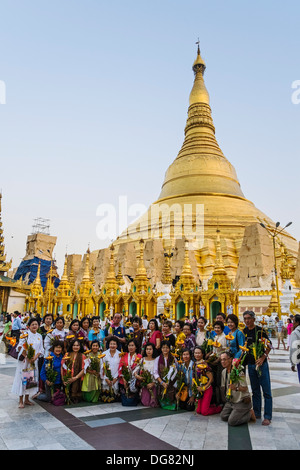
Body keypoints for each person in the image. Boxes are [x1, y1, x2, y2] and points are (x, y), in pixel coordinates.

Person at [243, 310, 272, 426]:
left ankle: (268, 416)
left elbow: (269, 345)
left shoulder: (260, 331)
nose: (247, 321)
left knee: (266, 391)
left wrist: (263, 357)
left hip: (261, 364)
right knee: (255, 390)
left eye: (249, 318)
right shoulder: (244, 332)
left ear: (254, 319)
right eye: (245, 318)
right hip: (250, 364)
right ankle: (257, 412)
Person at [11, 317, 44, 408]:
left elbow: (41, 349)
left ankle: (27, 399)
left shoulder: (39, 336)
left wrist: (35, 357)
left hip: (34, 361)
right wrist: (27, 356)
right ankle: (21, 400)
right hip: (25, 362)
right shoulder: (25, 334)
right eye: (32, 324)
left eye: (36, 324)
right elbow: (20, 347)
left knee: (30, 380)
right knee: (23, 379)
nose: (34, 326)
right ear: (29, 326)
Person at [220, 351, 255, 426]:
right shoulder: (223, 372)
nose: (223, 362)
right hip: (231, 401)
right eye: (221, 360)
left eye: (225, 359)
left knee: (232, 422)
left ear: (230, 360)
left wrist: (235, 388)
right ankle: (237, 412)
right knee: (223, 416)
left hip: (241, 400)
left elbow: (245, 388)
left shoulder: (238, 371)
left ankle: (249, 414)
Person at [193, 346, 222, 416]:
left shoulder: (204, 365)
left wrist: (204, 387)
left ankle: (219, 408)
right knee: (198, 411)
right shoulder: (195, 364)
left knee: (204, 412)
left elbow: (211, 379)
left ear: (203, 354)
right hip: (199, 390)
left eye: (199, 353)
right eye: (195, 353)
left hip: (207, 389)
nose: (197, 355)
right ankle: (211, 405)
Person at [61, 338, 86, 404]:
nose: (75, 347)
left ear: (80, 346)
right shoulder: (67, 355)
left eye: (77, 345)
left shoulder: (83, 356)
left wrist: (75, 378)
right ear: (71, 346)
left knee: (75, 398)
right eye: (74, 345)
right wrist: (63, 379)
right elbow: (62, 367)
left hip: (77, 379)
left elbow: (84, 369)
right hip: (67, 378)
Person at [134, 342, 159, 407]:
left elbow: (158, 373)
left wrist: (153, 383)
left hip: (154, 384)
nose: (148, 351)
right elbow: (135, 371)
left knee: (153, 402)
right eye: (147, 349)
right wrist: (137, 376)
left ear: (153, 350)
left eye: (150, 349)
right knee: (145, 403)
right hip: (145, 384)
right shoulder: (142, 360)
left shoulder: (156, 360)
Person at [154, 340, 177, 410]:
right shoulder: (157, 359)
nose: (165, 349)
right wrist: (162, 382)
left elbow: (176, 371)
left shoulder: (174, 359)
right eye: (163, 347)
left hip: (171, 383)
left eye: (167, 347)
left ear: (169, 349)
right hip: (161, 383)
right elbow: (155, 373)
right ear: (161, 349)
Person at [118, 338, 142, 404]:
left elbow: (140, 369)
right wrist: (124, 379)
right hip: (124, 381)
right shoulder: (124, 355)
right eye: (129, 345)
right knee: (126, 402)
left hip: (134, 381)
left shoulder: (139, 357)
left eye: (132, 345)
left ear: (136, 347)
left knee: (132, 402)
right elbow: (120, 368)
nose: (131, 347)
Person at [100, 336, 121, 400]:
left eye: (114, 344)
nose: (112, 346)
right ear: (108, 345)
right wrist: (106, 379)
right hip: (106, 379)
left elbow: (120, 368)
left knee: (115, 397)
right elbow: (102, 367)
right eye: (111, 344)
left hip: (116, 379)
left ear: (117, 345)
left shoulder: (120, 354)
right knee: (106, 397)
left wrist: (115, 378)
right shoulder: (104, 354)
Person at [289, 314, 300, 383]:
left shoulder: (295, 333)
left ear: (297, 322)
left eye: (293, 321)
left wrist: (292, 363)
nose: (292, 323)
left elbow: (293, 349)